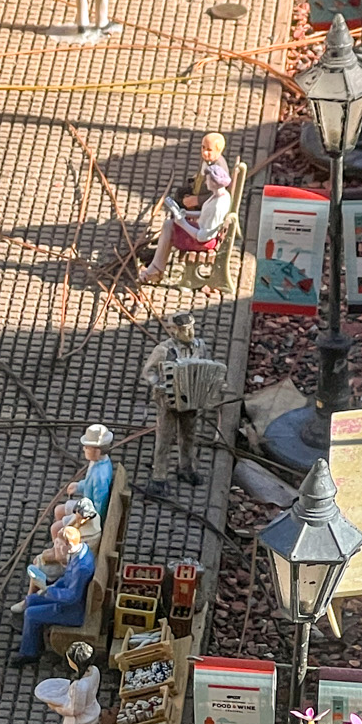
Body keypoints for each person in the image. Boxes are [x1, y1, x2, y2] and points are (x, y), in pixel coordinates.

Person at [137, 134, 237, 285]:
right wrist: (186, 214)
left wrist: (183, 222)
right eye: (203, 148)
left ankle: (156, 267)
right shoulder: (217, 194)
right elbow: (205, 212)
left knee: (170, 225)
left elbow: (203, 235)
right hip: (201, 219)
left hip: (203, 239)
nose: (204, 152)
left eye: (209, 149)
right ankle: (158, 259)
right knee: (176, 206)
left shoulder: (216, 201)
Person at [140, 312, 211, 494]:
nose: (186, 332)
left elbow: (207, 367)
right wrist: (160, 385)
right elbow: (148, 371)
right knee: (164, 438)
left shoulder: (200, 347)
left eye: (188, 328)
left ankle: (186, 467)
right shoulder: (164, 350)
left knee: (189, 436)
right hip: (169, 401)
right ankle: (159, 475)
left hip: (192, 400)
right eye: (181, 329)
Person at [13, 525, 94, 663]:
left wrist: (48, 590)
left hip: (72, 610)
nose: (57, 548)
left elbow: (72, 597)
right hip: (63, 597)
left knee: (31, 614)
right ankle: (32, 640)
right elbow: (67, 579)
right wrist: (52, 587)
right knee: (32, 600)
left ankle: (29, 653)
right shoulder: (79, 552)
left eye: (59, 545)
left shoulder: (82, 568)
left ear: (69, 545)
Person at [34, 643, 103, 724]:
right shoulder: (94, 671)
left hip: (81, 722)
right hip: (92, 713)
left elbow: (75, 710)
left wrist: (55, 707)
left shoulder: (79, 686)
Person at [55, 424, 115, 527]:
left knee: (55, 528)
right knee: (59, 510)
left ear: (97, 451)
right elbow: (90, 484)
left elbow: (99, 506)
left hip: (89, 515)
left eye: (87, 447)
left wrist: (85, 521)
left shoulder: (99, 477)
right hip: (85, 505)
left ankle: (64, 534)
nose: (84, 449)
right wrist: (79, 486)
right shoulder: (97, 462)